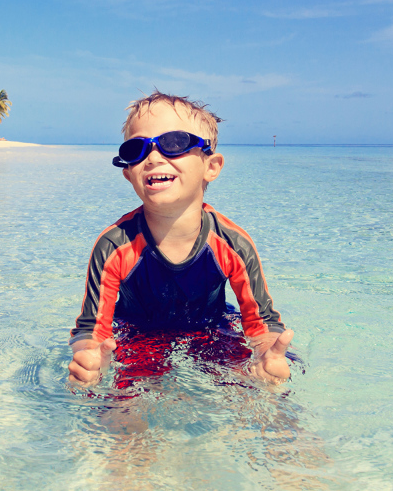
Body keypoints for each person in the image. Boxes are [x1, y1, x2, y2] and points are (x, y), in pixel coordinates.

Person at [69, 90, 295, 385]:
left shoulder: (232, 244)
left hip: (211, 330)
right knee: (125, 402)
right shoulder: (114, 245)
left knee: (258, 384)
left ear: (211, 167)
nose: (153, 157)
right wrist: (89, 356)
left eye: (174, 143)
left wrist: (266, 352)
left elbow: (261, 321)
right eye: (136, 149)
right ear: (128, 173)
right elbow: (91, 328)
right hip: (138, 334)